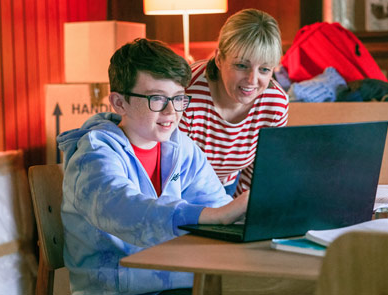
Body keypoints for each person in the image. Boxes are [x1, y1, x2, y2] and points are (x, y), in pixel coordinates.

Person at [57, 38, 248, 295]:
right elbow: (125, 209)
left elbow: (219, 211)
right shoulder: (94, 155)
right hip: (117, 288)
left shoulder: (183, 148)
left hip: (173, 279)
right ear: (119, 102)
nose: (171, 111)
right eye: (157, 98)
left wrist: (248, 213)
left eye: (179, 98)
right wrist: (214, 216)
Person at [179, 8, 289, 197]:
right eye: (241, 66)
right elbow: (168, 170)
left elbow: (257, 174)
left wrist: (239, 216)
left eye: (264, 69)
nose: (252, 80)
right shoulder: (186, 92)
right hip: (179, 188)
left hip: (227, 187)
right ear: (219, 58)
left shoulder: (275, 104)